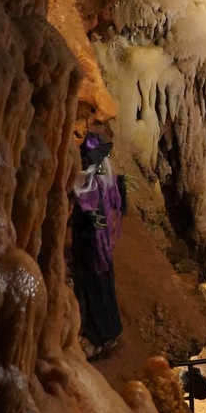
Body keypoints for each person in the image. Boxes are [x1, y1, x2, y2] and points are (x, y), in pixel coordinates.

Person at [70, 132, 126, 358]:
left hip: (91, 247)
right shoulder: (104, 180)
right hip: (100, 247)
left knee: (93, 290)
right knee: (104, 286)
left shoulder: (90, 184)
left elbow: (83, 205)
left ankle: (97, 337)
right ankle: (111, 331)